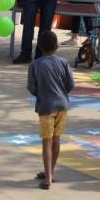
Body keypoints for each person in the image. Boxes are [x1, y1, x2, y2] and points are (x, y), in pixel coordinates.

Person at [27, 31, 75, 189]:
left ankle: (47, 178)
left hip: (46, 107)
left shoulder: (35, 65)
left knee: (46, 142)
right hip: (62, 105)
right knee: (56, 140)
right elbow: (70, 85)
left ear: (39, 47)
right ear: (56, 46)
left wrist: (42, 94)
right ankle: (50, 172)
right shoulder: (63, 62)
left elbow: (32, 88)